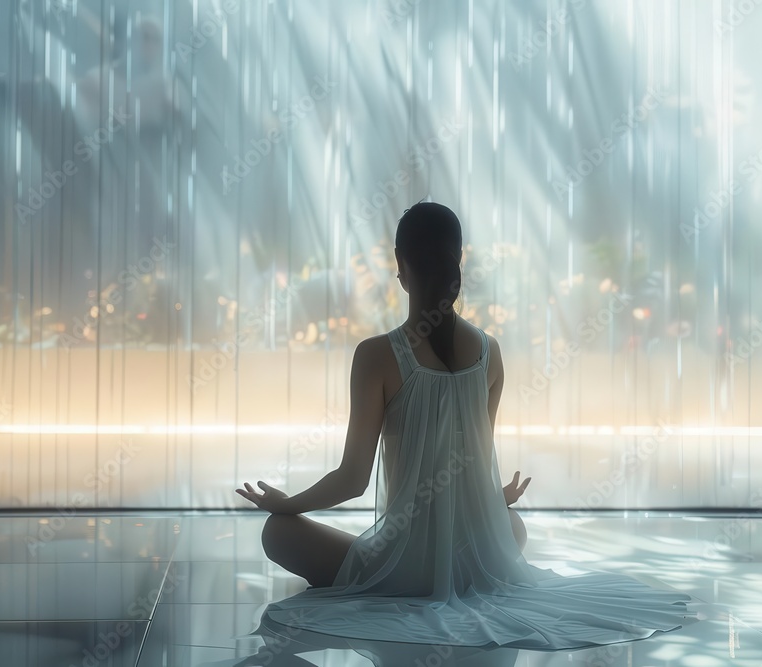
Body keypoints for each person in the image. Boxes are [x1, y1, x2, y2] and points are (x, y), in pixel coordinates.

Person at [235, 202, 697, 650]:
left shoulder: (376, 355)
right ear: (458, 260)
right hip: (473, 562)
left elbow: (353, 481)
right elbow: (474, 458)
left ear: (402, 266)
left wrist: (286, 502)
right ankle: (478, 549)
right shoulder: (489, 352)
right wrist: (493, 502)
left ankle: (403, 574)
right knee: (511, 526)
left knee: (278, 532)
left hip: (403, 570)